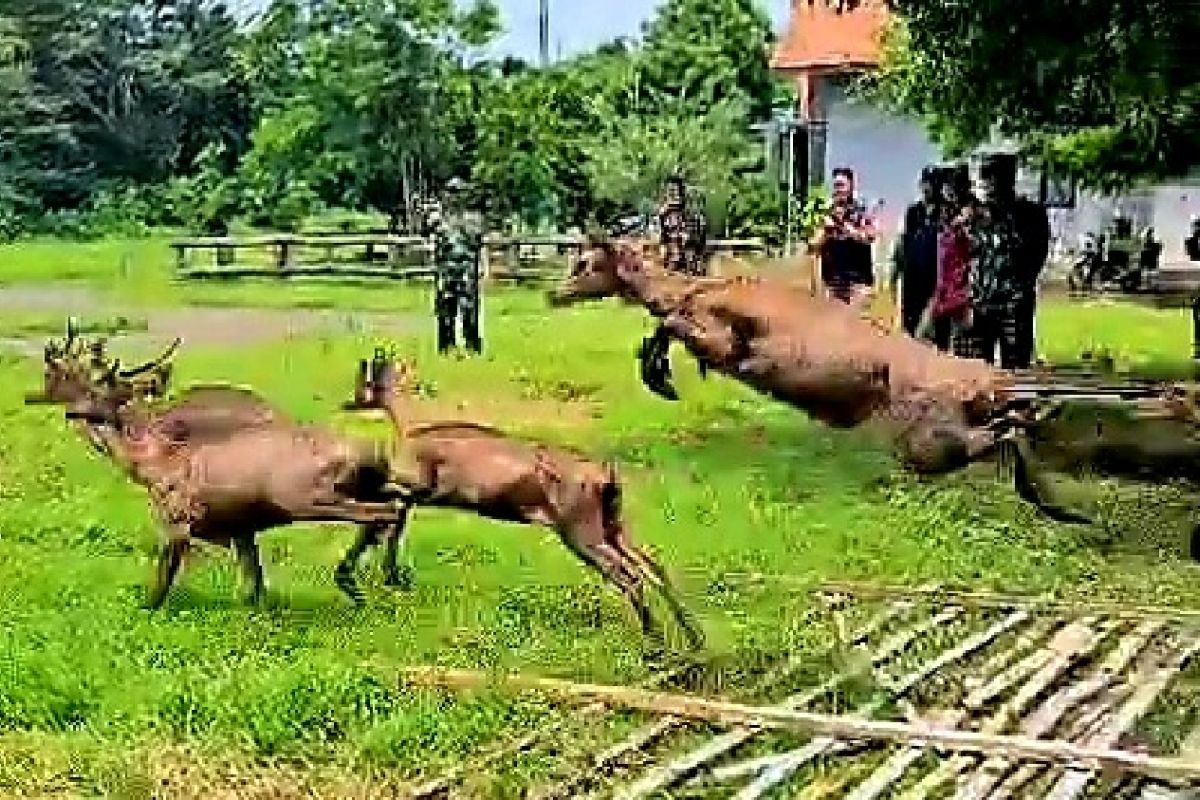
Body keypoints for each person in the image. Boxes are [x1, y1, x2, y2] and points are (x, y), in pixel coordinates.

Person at [960, 152, 1050, 369]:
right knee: (977, 367)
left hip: (1014, 303)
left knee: (1016, 364)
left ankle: (1015, 403)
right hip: (980, 301)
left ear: (1008, 180)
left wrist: (1018, 290)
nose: (988, 184)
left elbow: (1037, 256)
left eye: (993, 177)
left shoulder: (1029, 214)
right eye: (984, 177)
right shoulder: (973, 216)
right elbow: (962, 257)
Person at [920, 163, 975, 353]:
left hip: (962, 294)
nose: (948, 191)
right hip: (943, 291)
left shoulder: (971, 214)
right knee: (926, 341)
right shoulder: (944, 214)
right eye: (946, 186)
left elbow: (974, 252)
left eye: (954, 186)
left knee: (961, 349)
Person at [431, 178, 483, 355]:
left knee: (469, 310)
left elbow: (476, 244)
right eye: (451, 192)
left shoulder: (473, 219)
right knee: (445, 310)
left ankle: (472, 346)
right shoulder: (438, 219)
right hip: (446, 271)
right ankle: (446, 346)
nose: (455, 196)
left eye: (458, 192)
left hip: (466, 270)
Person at [891, 165, 944, 337]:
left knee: (933, 336)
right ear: (921, 185)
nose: (929, 187)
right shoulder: (913, 212)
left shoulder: (946, 212)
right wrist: (893, 276)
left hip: (935, 284)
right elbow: (901, 244)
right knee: (909, 332)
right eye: (926, 183)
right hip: (911, 282)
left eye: (934, 183)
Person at [816, 166, 877, 305]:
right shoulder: (827, 209)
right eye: (836, 185)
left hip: (858, 280)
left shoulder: (863, 208)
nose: (838, 189)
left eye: (842, 185)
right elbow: (814, 246)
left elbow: (870, 236)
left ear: (851, 186)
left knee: (855, 322)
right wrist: (825, 231)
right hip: (833, 280)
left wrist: (848, 229)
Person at [657, 174, 709, 276]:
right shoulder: (665, 211)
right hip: (673, 245)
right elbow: (663, 229)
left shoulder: (689, 208)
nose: (672, 193)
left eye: (675, 190)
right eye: (670, 190)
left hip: (687, 244)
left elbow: (698, 229)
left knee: (689, 257)